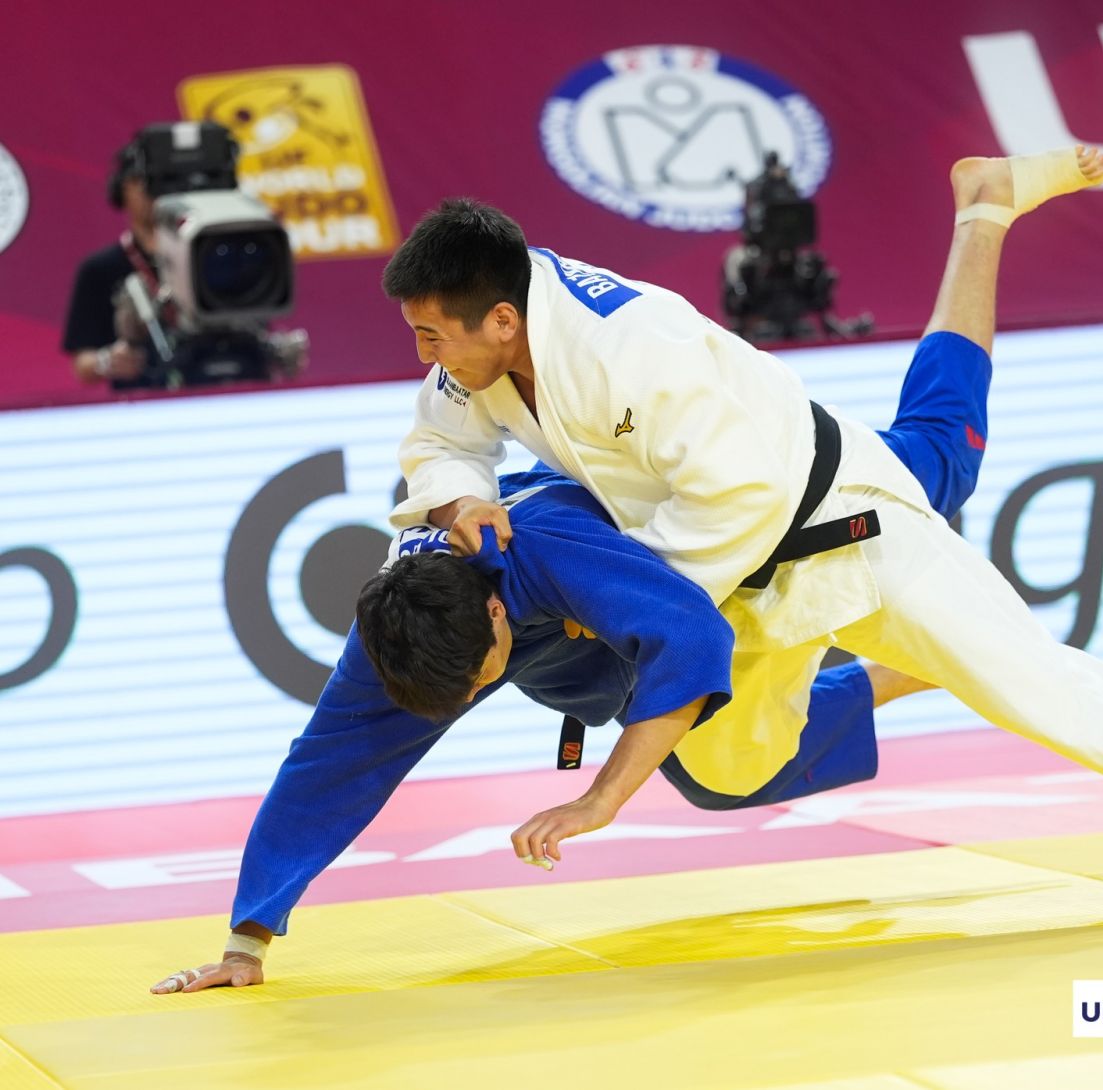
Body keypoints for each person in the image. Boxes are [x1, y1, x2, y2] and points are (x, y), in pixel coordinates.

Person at [378, 146, 1103, 907]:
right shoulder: (491, 340)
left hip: (844, 524)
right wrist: (461, 496)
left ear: (500, 319)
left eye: (432, 336)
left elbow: (740, 503)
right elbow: (436, 439)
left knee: (1036, 679)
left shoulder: (632, 351)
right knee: (729, 769)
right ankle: (899, 665)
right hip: (723, 579)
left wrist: (625, 606)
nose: (426, 356)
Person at [149, 322, 979, 995]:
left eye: (479, 677)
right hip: (602, 637)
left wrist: (600, 798)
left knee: (940, 465)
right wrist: (245, 942)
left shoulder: (546, 545)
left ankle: (980, 219)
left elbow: (692, 639)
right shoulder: (397, 633)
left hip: (708, 551)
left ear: (496, 608)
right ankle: (896, 675)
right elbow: (325, 771)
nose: (473, 694)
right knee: (717, 778)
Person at [60, 138, 162, 389]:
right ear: (122, 190)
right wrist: (107, 361)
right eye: (142, 181)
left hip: (228, 395)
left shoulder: (216, 256)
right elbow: (82, 364)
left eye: (164, 181)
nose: (154, 192)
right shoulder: (101, 269)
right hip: (144, 400)